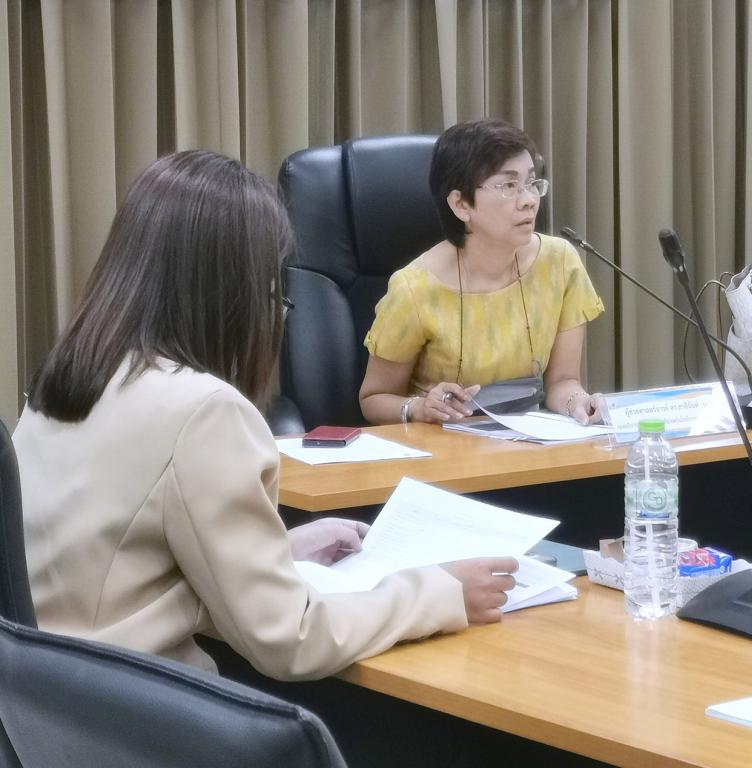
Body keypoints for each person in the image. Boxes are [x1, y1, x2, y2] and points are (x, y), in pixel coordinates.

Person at [13, 150, 517, 682]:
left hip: (47, 694)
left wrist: (279, 554)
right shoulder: (204, 411)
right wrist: (440, 591)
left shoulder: (74, 376)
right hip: (133, 703)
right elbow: (292, 639)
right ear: (230, 293)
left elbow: (114, 571)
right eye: (271, 290)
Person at [359, 118, 605, 426]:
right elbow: (373, 399)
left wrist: (577, 402)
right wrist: (420, 408)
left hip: (527, 443)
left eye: (531, 183)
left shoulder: (559, 264)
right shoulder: (415, 288)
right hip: (443, 445)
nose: (529, 200)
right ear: (461, 204)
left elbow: (563, 381)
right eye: (509, 186)